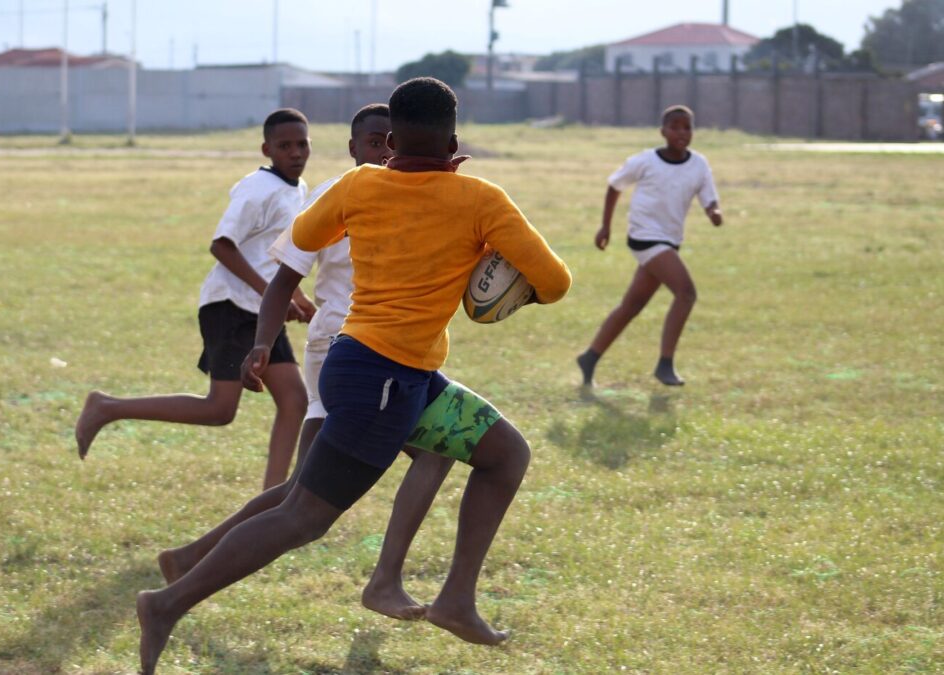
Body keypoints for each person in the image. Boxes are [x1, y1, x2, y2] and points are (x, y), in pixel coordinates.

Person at [135, 77, 571, 674]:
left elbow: (291, 255)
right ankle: (166, 603)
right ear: (455, 141)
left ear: (390, 140)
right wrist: (492, 272)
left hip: (373, 368)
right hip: (384, 382)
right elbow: (554, 282)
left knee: (505, 453)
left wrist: (264, 341)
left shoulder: (360, 184)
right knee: (303, 516)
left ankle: (456, 601)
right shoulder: (482, 200)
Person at [75, 108, 315, 489]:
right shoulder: (258, 189)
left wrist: (296, 296)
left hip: (260, 312)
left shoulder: (297, 190)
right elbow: (222, 246)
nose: (295, 153)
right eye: (285, 146)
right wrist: (271, 294)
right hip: (231, 308)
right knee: (220, 409)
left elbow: (274, 253)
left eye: (302, 144)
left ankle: (271, 501)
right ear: (266, 148)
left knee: (294, 401)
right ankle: (107, 407)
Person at [577, 104, 722, 387]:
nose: (682, 132)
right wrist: (605, 226)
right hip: (644, 237)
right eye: (675, 127)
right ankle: (665, 364)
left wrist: (714, 212)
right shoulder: (646, 161)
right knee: (686, 292)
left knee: (632, 305)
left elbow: (709, 197)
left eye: (687, 127)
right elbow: (615, 186)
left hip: (670, 240)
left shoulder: (699, 164)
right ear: (663, 131)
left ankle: (590, 357)